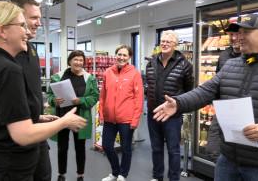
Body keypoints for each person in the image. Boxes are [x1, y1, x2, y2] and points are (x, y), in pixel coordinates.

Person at [153, 14, 258, 181]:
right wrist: (179, 103)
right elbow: (205, 92)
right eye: (239, 32)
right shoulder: (231, 65)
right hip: (229, 159)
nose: (239, 37)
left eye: (246, 32)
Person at [0, 1, 87, 181]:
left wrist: (36, 116)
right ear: (2, 31)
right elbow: (23, 135)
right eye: (22, 25)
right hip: (5, 166)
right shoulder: (7, 68)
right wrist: (65, 121)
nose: (27, 31)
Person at [10, 0, 53, 181]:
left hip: (37, 130)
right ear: (18, 19)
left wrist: (37, 114)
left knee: (43, 175)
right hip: (15, 139)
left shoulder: (32, 51)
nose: (38, 23)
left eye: (39, 18)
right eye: (33, 18)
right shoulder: (6, 56)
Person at [145, 30, 194, 181]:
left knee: (173, 150)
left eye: (168, 42)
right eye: (162, 41)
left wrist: (178, 107)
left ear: (175, 45)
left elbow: (189, 91)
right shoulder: (151, 62)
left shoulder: (185, 65)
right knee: (156, 148)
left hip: (172, 116)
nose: (164, 44)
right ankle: (157, 176)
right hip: (153, 112)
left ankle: (174, 178)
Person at [47, 50, 99, 181]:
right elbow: (50, 96)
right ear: (69, 61)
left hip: (80, 118)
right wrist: (55, 100)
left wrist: (80, 100)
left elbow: (94, 97)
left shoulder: (89, 78)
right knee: (62, 147)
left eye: (81, 60)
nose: (78, 62)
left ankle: (80, 174)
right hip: (62, 117)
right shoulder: (58, 77)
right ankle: (61, 174)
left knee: (80, 147)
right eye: (75, 59)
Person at [99, 44, 144, 181]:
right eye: (119, 54)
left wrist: (135, 119)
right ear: (116, 55)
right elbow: (103, 96)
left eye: (125, 55)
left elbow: (139, 98)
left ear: (129, 57)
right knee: (106, 146)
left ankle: (123, 174)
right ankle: (115, 172)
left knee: (126, 148)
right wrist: (101, 114)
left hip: (126, 119)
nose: (121, 57)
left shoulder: (134, 73)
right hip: (109, 119)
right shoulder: (108, 72)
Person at [206, 26, 241, 163]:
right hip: (224, 107)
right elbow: (216, 82)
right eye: (231, 34)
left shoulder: (250, 56)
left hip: (242, 110)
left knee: (239, 149)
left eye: (237, 34)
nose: (233, 38)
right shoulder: (224, 55)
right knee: (213, 148)